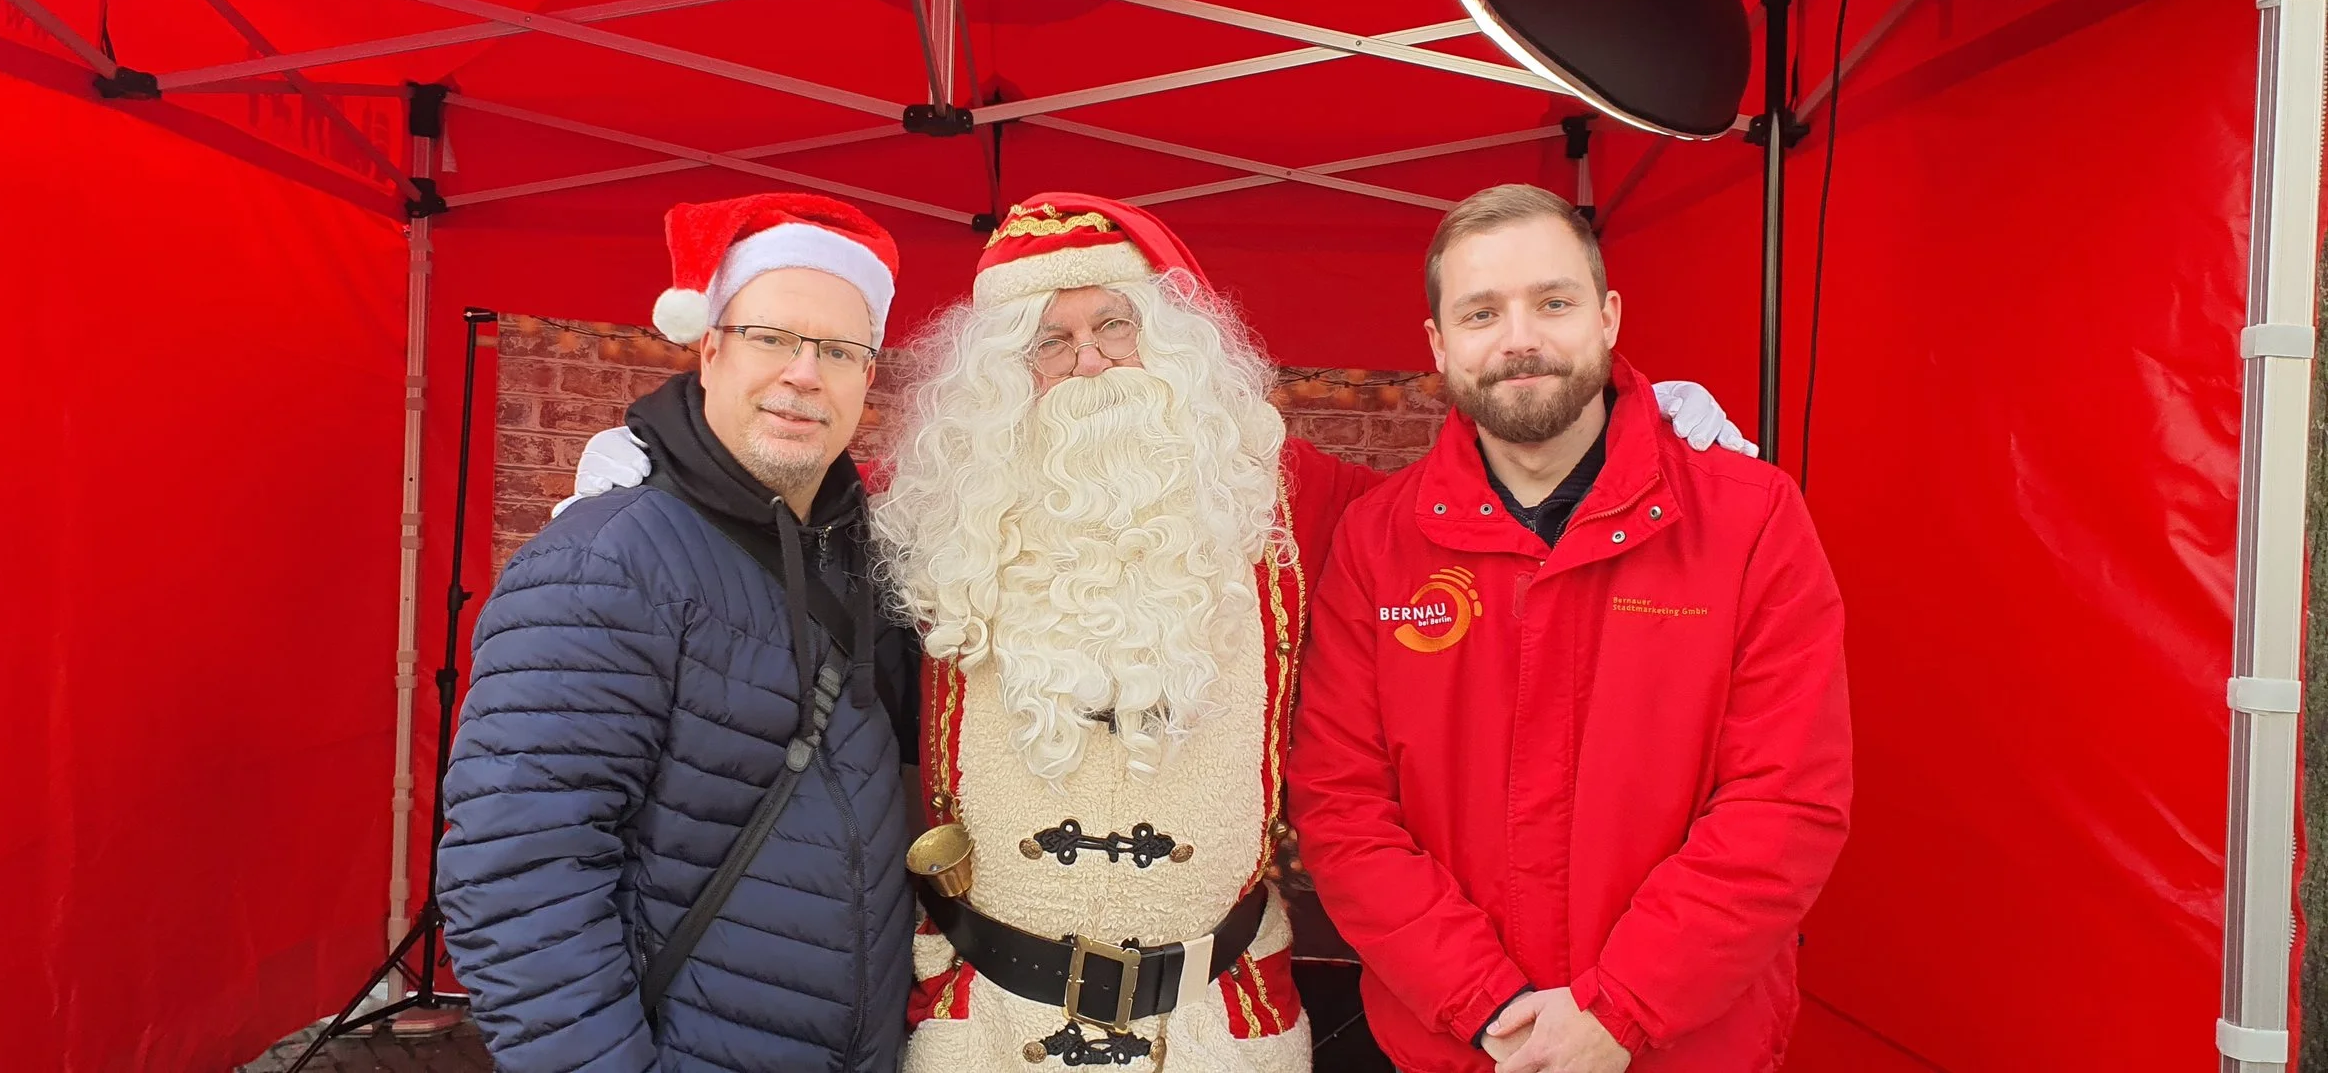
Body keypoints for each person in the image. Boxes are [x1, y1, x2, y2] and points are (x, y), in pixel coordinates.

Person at [561, 191, 1755, 1072]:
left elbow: (1466, 512)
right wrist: (676, 474)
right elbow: (778, 495)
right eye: (1050, 337)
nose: (1086, 360)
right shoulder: (932, 500)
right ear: (999, 371)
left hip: (1222, 1020)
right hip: (980, 1019)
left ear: (1176, 342)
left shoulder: (1279, 492)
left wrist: (1628, 445)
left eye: (1115, 324)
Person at [1286, 184, 1852, 1073]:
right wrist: (1488, 1004)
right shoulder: (1377, 544)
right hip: (1459, 1048)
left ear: (1608, 315)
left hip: (1682, 1049)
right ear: (1438, 344)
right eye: (1482, 312)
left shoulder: (1751, 521)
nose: (1521, 338)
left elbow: (1784, 804)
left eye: (1553, 302)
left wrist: (1620, 1010)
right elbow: (1342, 808)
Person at [436, 192, 920, 1073]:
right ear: (710, 347)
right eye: (771, 337)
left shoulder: (870, 563)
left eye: (838, 350)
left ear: (866, 377)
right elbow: (516, 877)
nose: (803, 374)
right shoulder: (608, 560)